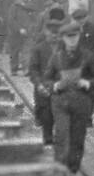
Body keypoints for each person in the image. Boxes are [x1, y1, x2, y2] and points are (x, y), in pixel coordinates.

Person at [42, 20, 94, 176]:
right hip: (60, 102)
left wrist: (88, 83)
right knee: (61, 135)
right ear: (62, 38)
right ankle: (60, 172)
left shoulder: (88, 56)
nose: (72, 40)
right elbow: (46, 79)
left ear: (79, 36)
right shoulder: (56, 58)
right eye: (68, 37)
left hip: (81, 102)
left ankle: (73, 171)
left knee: (77, 138)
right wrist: (55, 85)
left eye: (74, 36)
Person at [28, 9, 66, 145]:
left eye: (58, 33)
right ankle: (48, 139)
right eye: (52, 33)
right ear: (46, 32)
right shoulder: (38, 49)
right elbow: (33, 70)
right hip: (44, 89)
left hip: (62, 88)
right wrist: (39, 85)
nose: (55, 36)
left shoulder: (66, 48)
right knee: (46, 116)